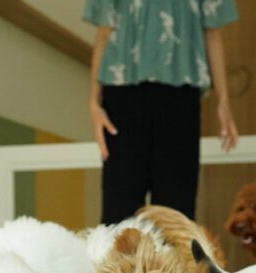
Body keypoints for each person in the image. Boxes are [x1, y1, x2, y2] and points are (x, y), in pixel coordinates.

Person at [84, 0, 239, 224]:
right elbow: (104, 32)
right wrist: (93, 102)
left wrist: (223, 101)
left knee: (176, 211)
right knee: (120, 208)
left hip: (180, 95)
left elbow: (212, 31)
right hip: (122, 93)